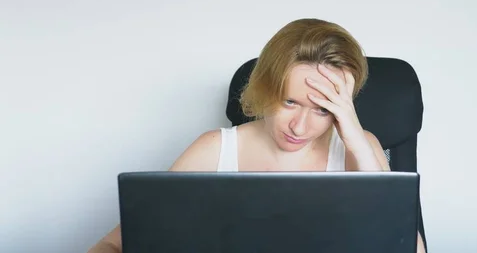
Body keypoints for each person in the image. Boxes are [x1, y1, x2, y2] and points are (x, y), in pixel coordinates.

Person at [87, 18, 427, 253]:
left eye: (322, 109)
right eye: (289, 102)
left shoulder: (362, 149)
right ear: (266, 88)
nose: (299, 127)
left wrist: (355, 139)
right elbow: (115, 244)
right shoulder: (214, 151)